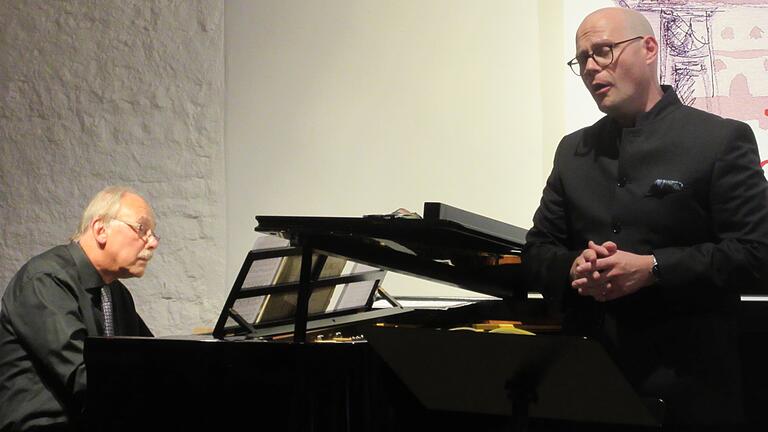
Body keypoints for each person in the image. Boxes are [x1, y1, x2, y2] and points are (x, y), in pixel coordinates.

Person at [522, 7, 768, 430]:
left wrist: (653, 268)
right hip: (588, 386)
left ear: (649, 48)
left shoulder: (719, 139)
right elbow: (537, 249)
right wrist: (574, 267)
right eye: (581, 59)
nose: (591, 68)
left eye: (603, 51)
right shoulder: (572, 151)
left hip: (690, 391)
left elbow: (758, 254)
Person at [0, 186, 158, 431]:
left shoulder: (116, 293)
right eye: (142, 229)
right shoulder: (45, 279)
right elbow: (83, 375)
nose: (153, 242)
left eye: (154, 234)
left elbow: (152, 359)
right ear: (100, 229)